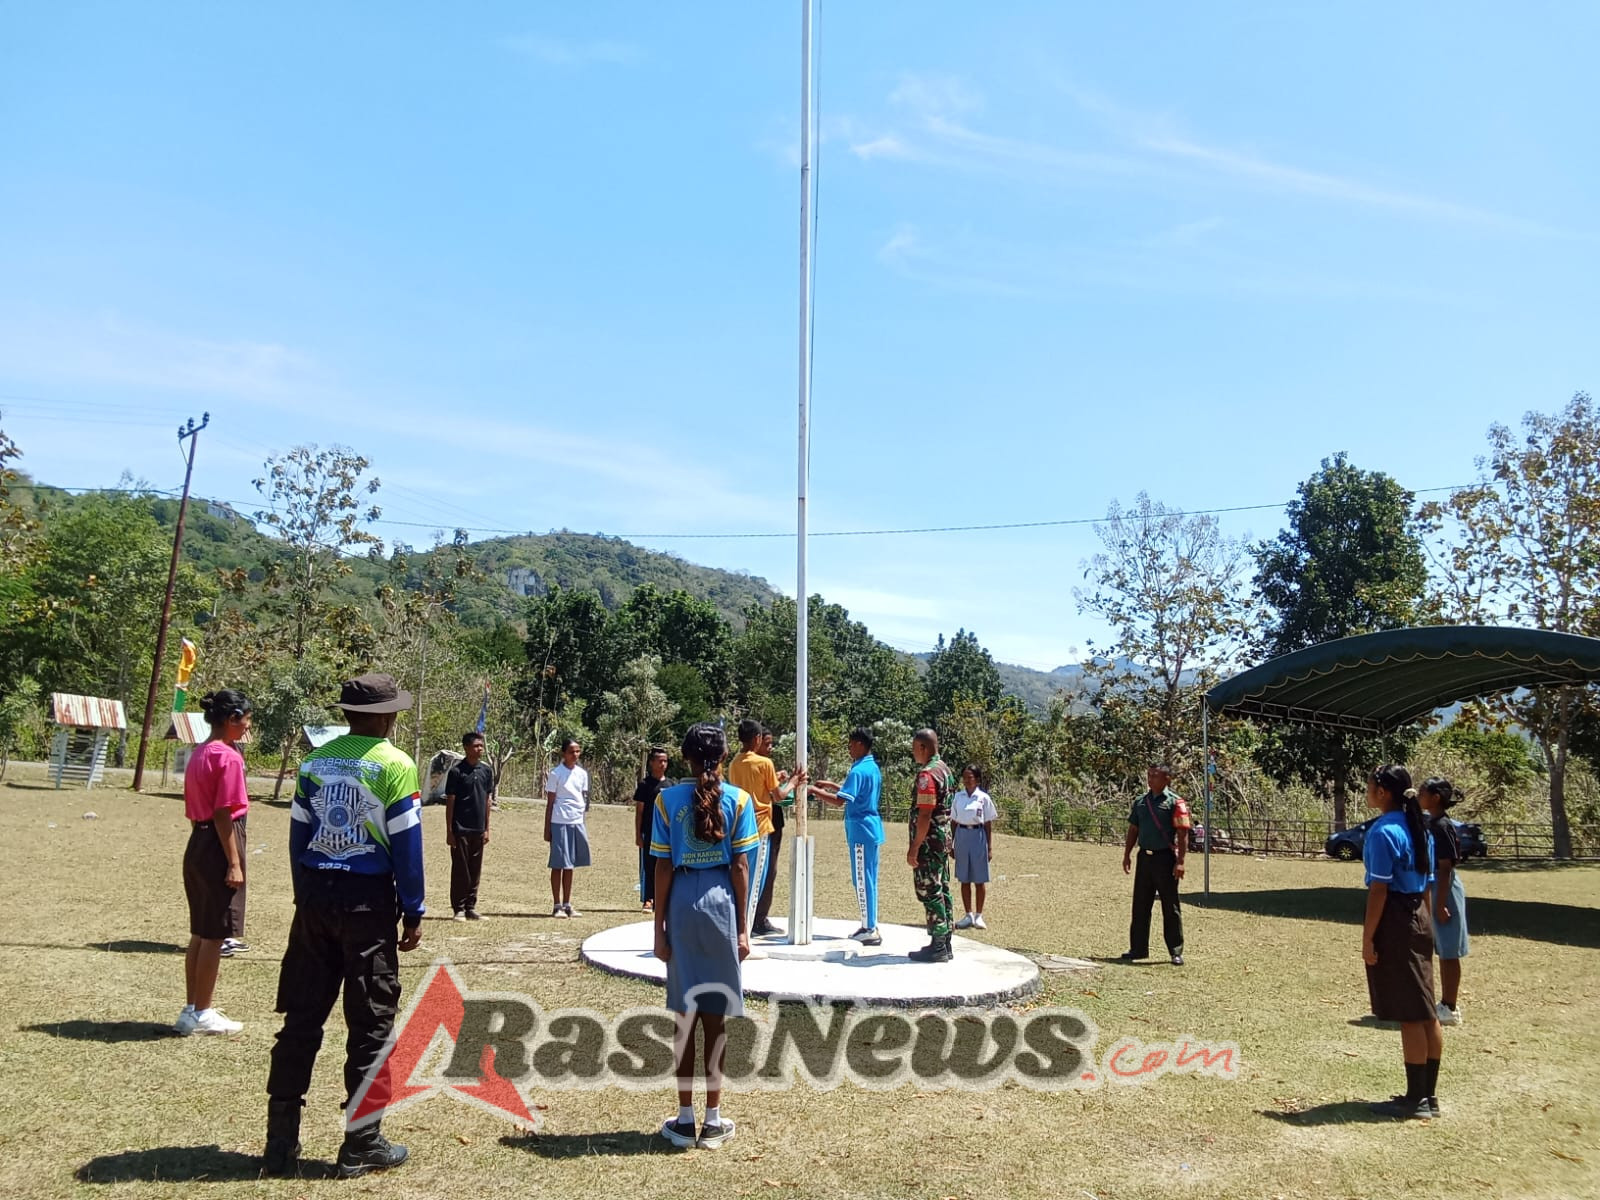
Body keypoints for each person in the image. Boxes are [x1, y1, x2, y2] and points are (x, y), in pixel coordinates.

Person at [263, 673, 425, 1178]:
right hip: (366, 905)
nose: (396, 718)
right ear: (380, 718)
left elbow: (298, 837)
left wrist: (303, 894)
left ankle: (279, 1146)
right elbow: (407, 846)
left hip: (314, 895)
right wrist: (413, 908)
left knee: (301, 1021)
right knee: (371, 1023)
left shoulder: (314, 763)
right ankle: (362, 1143)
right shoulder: (394, 764)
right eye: (393, 711)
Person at [650, 722, 759, 1150]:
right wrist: (744, 929)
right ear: (723, 756)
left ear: (686, 756)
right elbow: (740, 867)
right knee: (715, 1019)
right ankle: (713, 1121)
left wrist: (659, 929)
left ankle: (683, 1118)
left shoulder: (666, 800)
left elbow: (660, 866)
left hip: (680, 901)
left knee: (684, 1015)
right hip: (720, 905)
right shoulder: (740, 799)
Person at [1362, 764, 1443, 1119]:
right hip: (1419, 917)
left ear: (1382, 792)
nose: (1366, 792)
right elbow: (1426, 884)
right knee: (1426, 1009)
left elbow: (1379, 889)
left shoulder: (1383, 831)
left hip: (1396, 919)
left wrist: (1368, 938)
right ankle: (1429, 1095)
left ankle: (1416, 1100)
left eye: (1369, 787)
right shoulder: (1419, 828)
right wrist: (1425, 926)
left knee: (1412, 1012)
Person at [177, 688, 252, 1036]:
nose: (248, 725)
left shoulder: (199, 753)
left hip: (198, 842)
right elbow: (224, 812)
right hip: (220, 841)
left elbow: (198, 811)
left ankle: (192, 1007)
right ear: (230, 718)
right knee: (215, 935)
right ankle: (203, 1012)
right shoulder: (228, 757)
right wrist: (233, 862)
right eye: (246, 718)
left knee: (200, 932)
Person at [728, 720, 806, 937]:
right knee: (759, 877)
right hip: (760, 825)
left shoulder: (734, 763)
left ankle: (743, 921)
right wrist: (793, 781)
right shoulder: (764, 763)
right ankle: (750, 926)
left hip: (739, 824)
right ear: (757, 739)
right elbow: (778, 796)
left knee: (743, 873)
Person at [810, 727, 885, 945]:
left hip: (861, 830)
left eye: (851, 744)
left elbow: (839, 801)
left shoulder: (858, 770)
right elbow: (852, 792)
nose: (849, 748)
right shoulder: (870, 767)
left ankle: (869, 927)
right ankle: (870, 923)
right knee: (868, 877)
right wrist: (832, 786)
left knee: (862, 879)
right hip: (870, 828)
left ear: (861, 744)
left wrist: (814, 791)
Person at [1120, 763, 1190, 966]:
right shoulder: (1141, 802)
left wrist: (1181, 862)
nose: (1151, 780)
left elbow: (1182, 833)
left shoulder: (1175, 802)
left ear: (1167, 779)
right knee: (1140, 905)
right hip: (1145, 858)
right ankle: (1138, 948)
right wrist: (1127, 854)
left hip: (1165, 859)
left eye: (1155, 776)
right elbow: (1133, 829)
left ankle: (1175, 951)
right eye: (1149, 776)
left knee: (1170, 906)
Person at [1419, 777, 1470, 1027]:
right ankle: (1443, 1004)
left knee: (1449, 951)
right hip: (1436, 886)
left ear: (1435, 797)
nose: (1420, 796)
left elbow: (1447, 867)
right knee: (1441, 949)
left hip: (1445, 888)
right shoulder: (1432, 822)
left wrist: (1440, 904)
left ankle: (1450, 1007)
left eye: (1423, 793)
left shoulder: (1442, 825)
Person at [906, 728, 955, 963]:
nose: (913, 752)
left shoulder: (927, 775)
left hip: (929, 842)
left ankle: (937, 946)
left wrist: (914, 847)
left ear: (923, 747)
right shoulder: (944, 769)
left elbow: (925, 813)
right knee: (943, 887)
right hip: (942, 839)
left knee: (930, 890)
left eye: (915, 748)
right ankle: (945, 942)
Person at [444, 731, 495, 921]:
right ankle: (458, 908)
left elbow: (487, 800)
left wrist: (487, 828)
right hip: (460, 828)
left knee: (475, 869)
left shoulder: (486, 771)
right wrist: (450, 831)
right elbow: (450, 801)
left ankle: (470, 907)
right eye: (476, 746)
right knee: (460, 870)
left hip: (478, 828)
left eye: (481, 745)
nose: (480, 749)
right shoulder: (456, 771)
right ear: (466, 748)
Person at [544, 737, 591, 918]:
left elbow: (583, 798)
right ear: (564, 753)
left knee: (570, 865)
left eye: (578, 751)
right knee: (558, 864)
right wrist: (547, 828)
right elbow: (550, 803)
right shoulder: (556, 773)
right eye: (571, 751)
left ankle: (567, 904)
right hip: (559, 821)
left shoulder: (582, 774)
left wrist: (582, 821)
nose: (575, 755)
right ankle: (557, 905)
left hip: (576, 821)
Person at [950, 764, 998, 931]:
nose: (967, 780)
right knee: (964, 878)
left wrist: (989, 847)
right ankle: (968, 914)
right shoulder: (958, 797)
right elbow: (954, 821)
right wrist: (953, 844)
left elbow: (988, 823)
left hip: (978, 836)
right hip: (962, 835)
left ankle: (979, 916)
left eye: (970, 777)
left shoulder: (983, 798)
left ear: (977, 780)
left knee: (979, 879)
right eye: (965, 777)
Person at [634, 746, 670, 913]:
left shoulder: (670, 785)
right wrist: (638, 835)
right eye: (660, 761)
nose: (663, 764)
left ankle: (665, 898)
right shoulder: (644, 785)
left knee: (665, 865)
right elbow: (639, 811)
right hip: (649, 832)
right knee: (649, 867)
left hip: (667, 834)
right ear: (652, 763)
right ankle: (648, 899)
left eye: (665, 761)